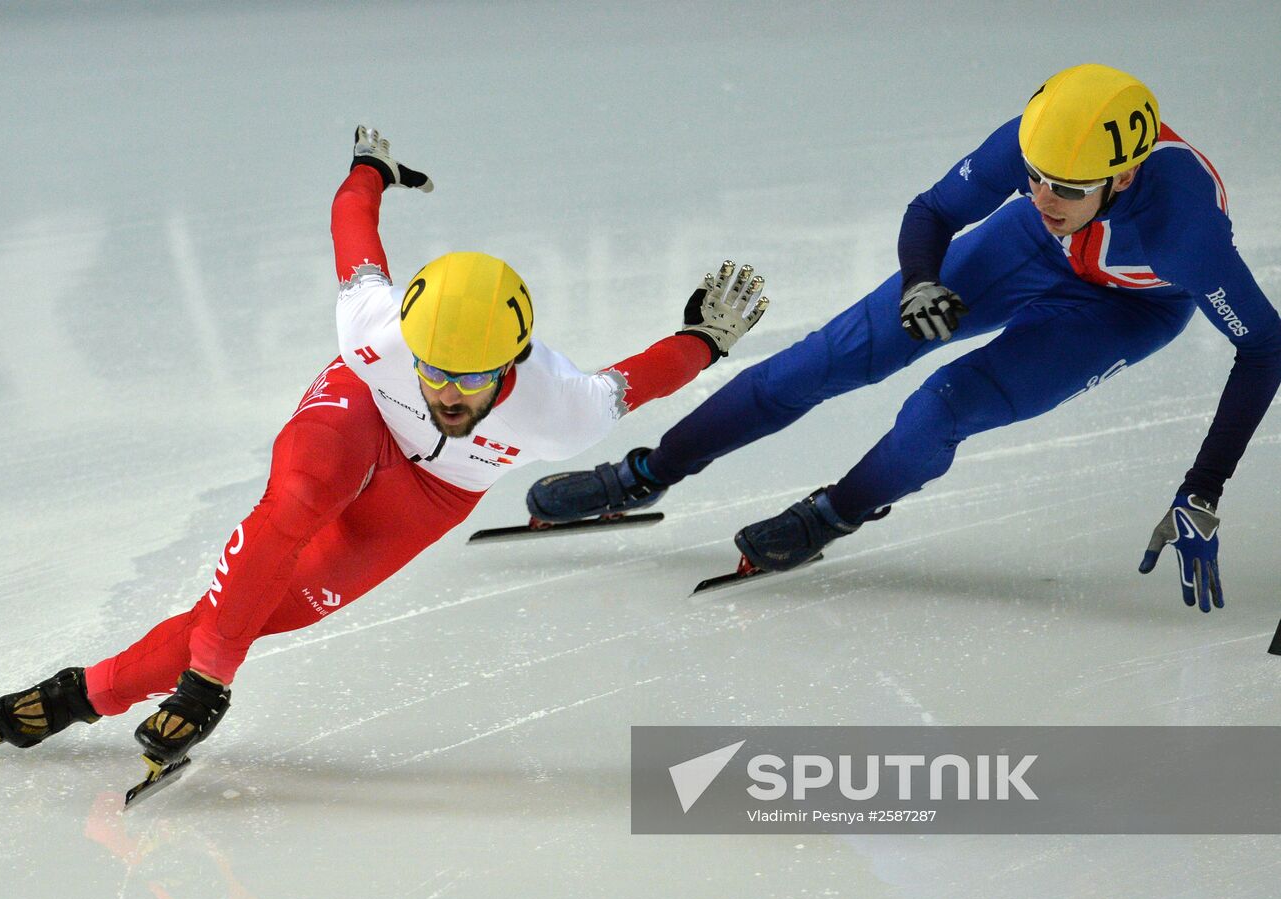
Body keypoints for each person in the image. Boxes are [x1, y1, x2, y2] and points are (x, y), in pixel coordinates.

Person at [0, 127, 769, 781]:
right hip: (359, 412)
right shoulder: (375, 332)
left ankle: (76, 694)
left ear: (513, 365)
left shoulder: (561, 408)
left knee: (270, 607)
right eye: (435, 368)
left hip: (437, 490)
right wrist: (371, 167)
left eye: (472, 378)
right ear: (408, 343)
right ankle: (205, 683)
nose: (449, 392)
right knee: (299, 499)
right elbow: (354, 226)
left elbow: (639, 381)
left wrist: (704, 339)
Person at [529, 63, 1281, 613]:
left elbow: (1264, 347)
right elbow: (931, 210)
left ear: (1121, 178)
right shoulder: (1040, 151)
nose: (1046, 196)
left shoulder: (1186, 237)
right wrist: (922, 280)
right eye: (1037, 178)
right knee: (827, 358)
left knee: (942, 407)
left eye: (1068, 189)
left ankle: (839, 510)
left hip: (1123, 309)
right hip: (1024, 251)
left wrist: (1202, 491)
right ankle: (646, 474)